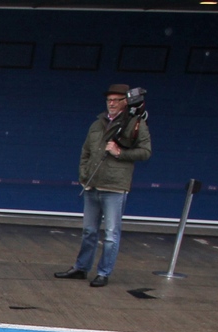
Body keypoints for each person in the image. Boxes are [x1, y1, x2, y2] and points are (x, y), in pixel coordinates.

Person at [54, 84, 152, 288]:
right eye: (109, 100)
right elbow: (86, 151)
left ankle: (103, 272)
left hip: (115, 187)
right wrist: (84, 173)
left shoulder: (135, 124)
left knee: (110, 234)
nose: (112, 103)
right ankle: (81, 268)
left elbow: (145, 152)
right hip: (92, 184)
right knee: (89, 231)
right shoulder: (97, 124)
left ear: (126, 102)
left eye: (117, 100)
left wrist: (120, 153)